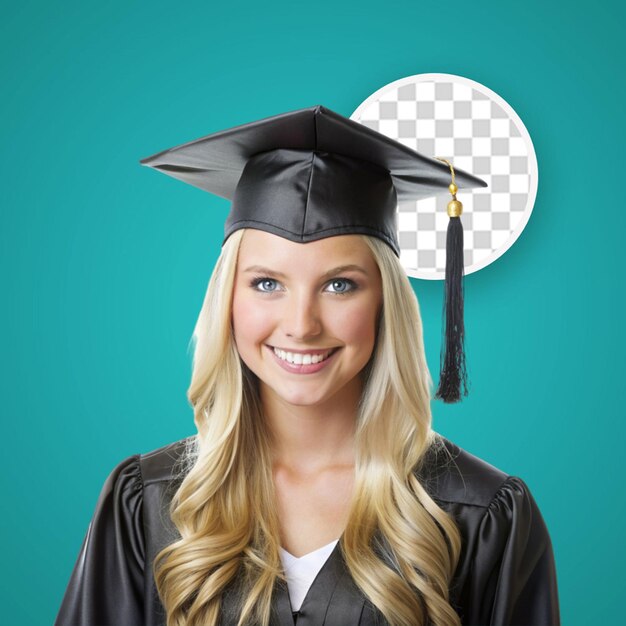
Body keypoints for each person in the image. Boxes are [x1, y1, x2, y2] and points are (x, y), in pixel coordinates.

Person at [55, 105, 560, 626]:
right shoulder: (151, 503)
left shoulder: (478, 514)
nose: (301, 324)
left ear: (386, 302)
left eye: (340, 285)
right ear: (228, 298)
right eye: (266, 283)